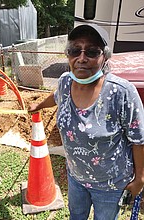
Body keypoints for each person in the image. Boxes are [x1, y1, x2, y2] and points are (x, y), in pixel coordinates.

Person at [28, 24, 144, 220]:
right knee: (77, 216)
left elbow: (139, 139)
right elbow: (56, 96)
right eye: (75, 50)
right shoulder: (65, 81)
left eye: (91, 51)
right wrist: (38, 106)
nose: (81, 58)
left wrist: (140, 178)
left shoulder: (121, 92)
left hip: (110, 184)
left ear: (104, 57)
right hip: (75, 177)